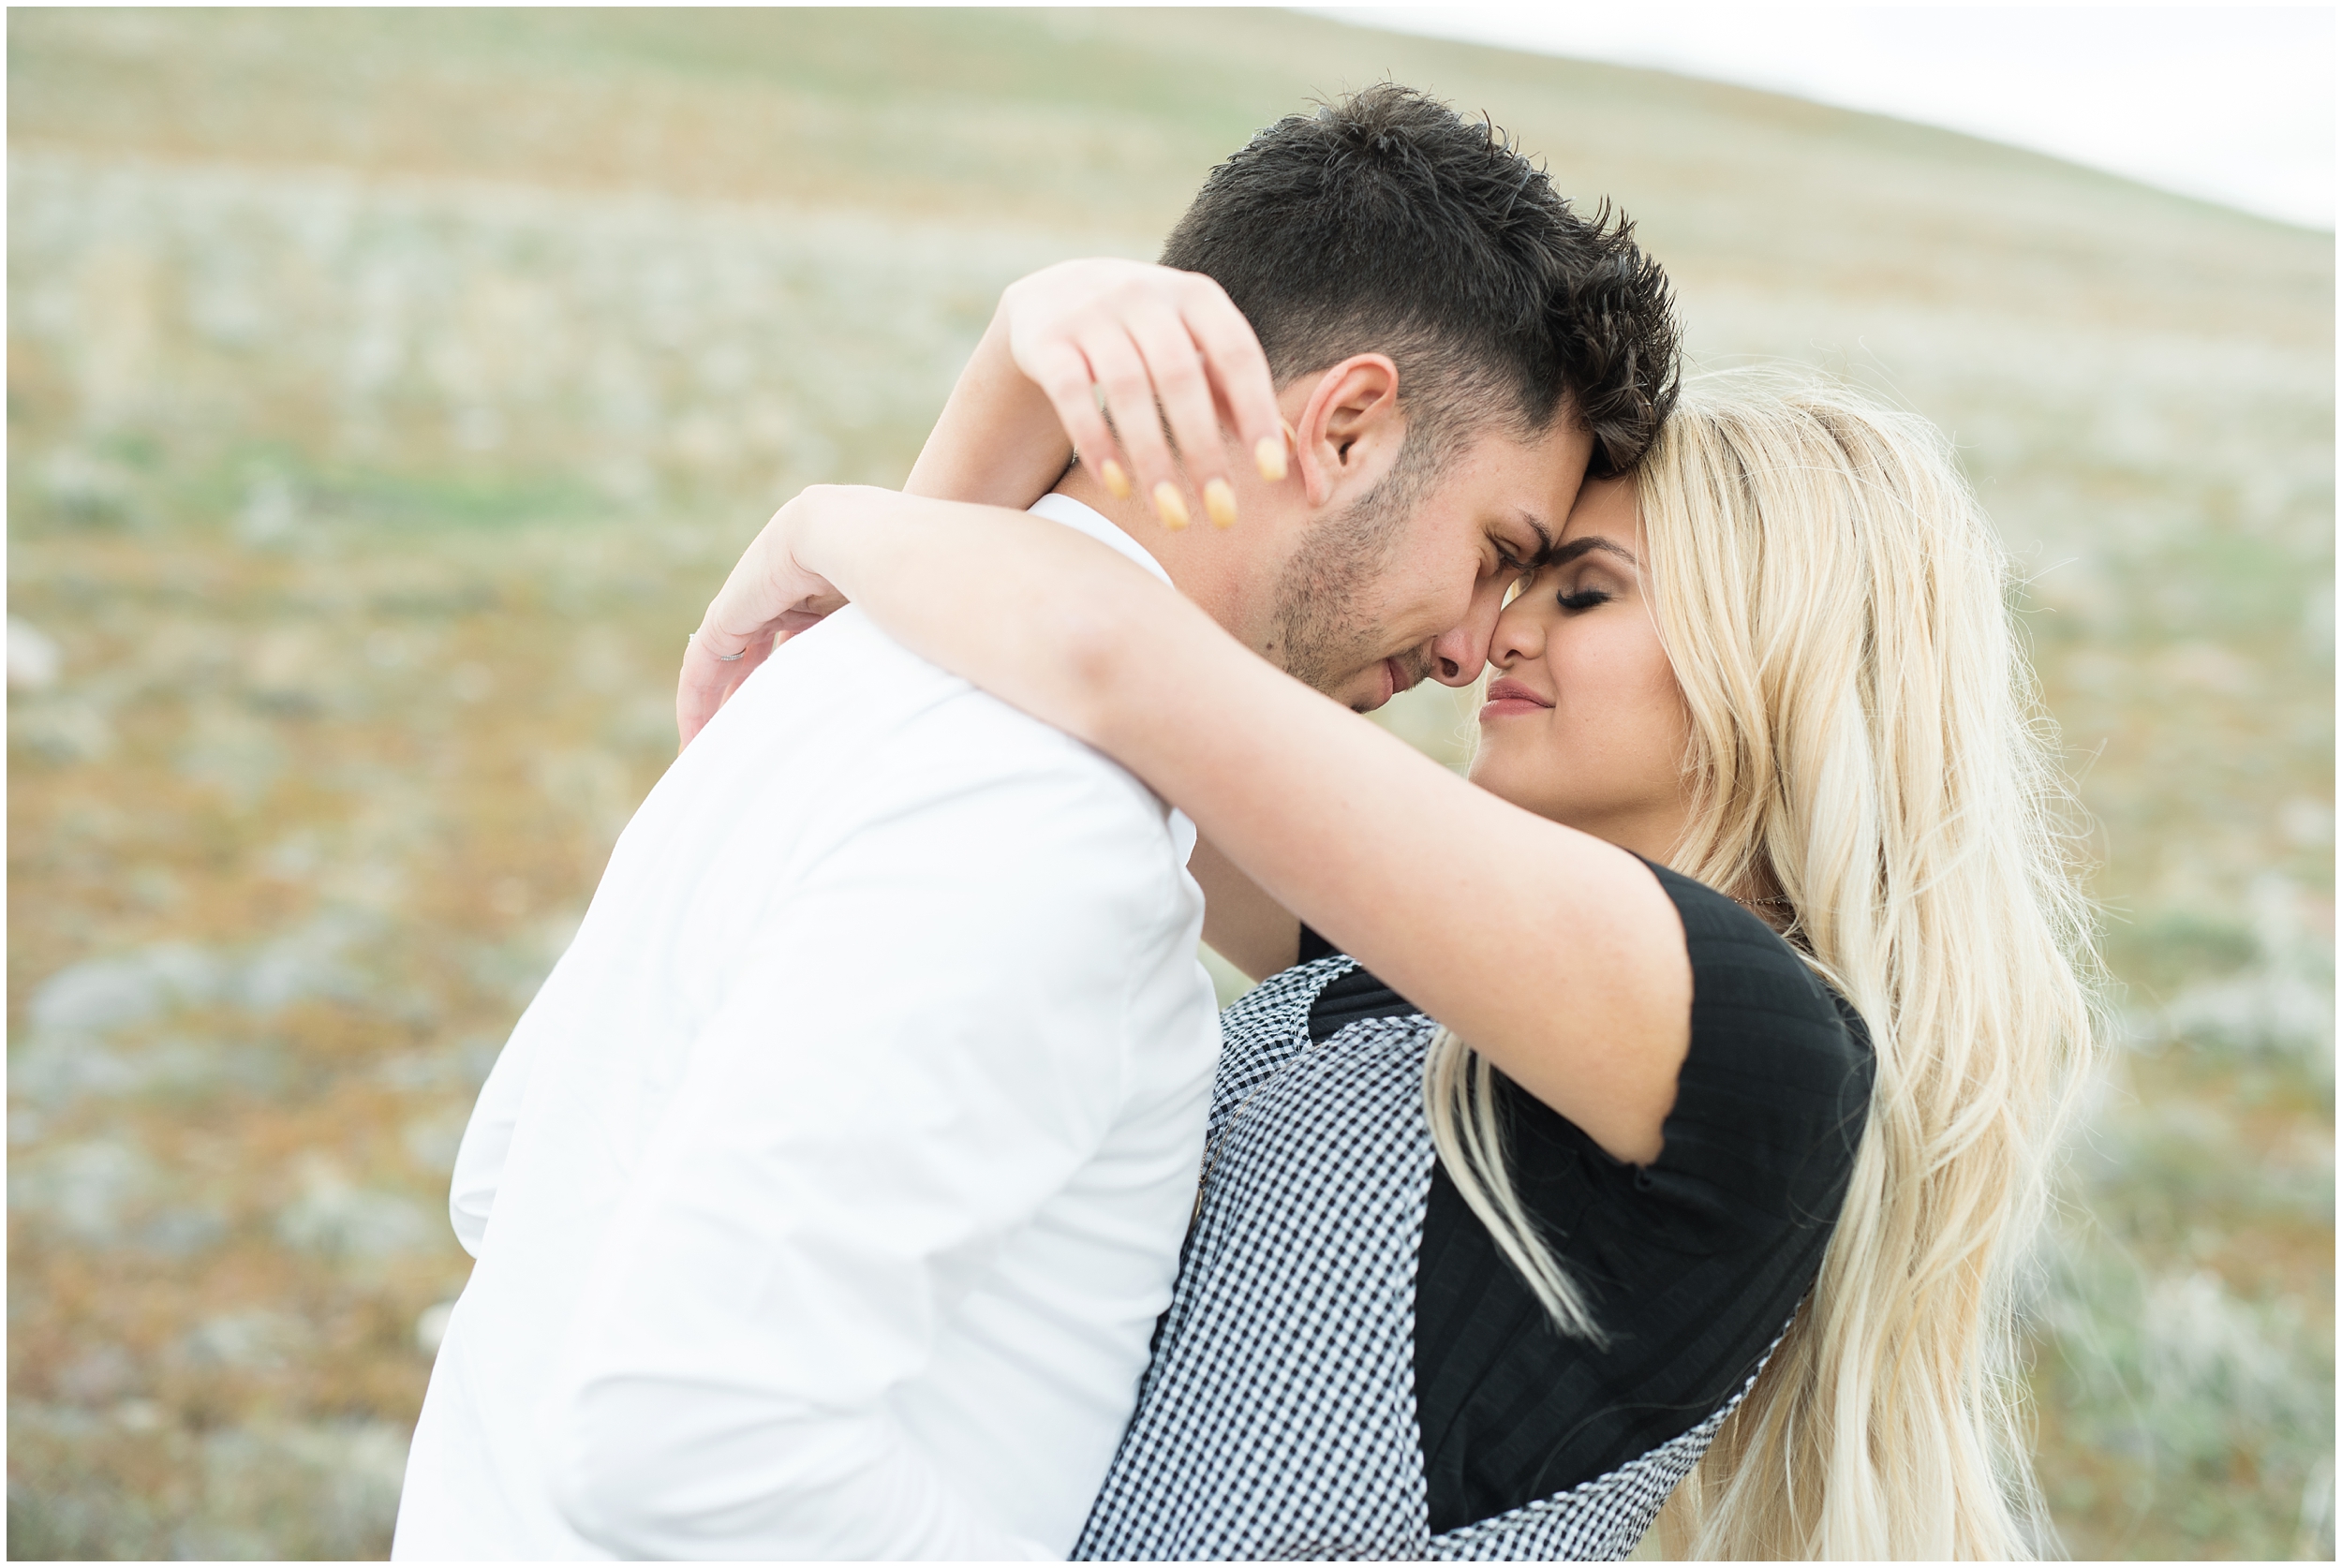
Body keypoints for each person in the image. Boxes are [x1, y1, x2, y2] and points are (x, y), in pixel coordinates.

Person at [393, 86, 1681, 1559]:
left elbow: (509, 1182)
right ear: (1347, 428)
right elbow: (685, 1440)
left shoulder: (844, 682)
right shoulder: (1052, 832)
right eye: (1497, 552)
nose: (1470, 648)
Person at [681, 371, 2097, 1556]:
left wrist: (822, 523)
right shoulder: (1426, 980)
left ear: (1771, 653)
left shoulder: (1756, 1054)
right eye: (1519, 573)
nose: (1496, 634)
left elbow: (1109, 656)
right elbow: (1040, 696)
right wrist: (1013, 362)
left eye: (1584, 593)